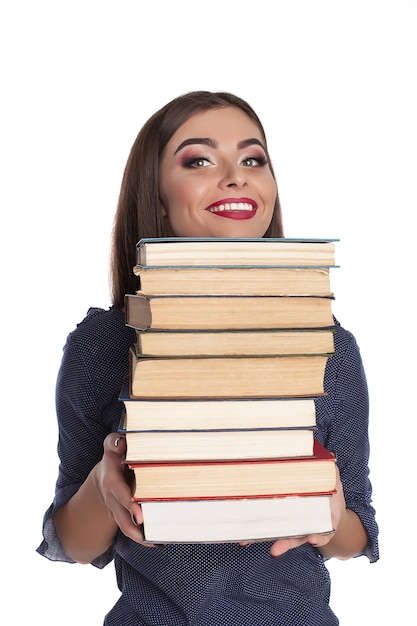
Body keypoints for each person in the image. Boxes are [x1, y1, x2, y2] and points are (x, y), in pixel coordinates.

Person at [37, 91, 379, 625]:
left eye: (253, 159)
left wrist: (328, 517)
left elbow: (358, 532)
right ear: (158, 198)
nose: (236, 177)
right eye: (199, 160)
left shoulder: (329, 346)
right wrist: (105, 482)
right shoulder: (102, 343)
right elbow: (74, 545)